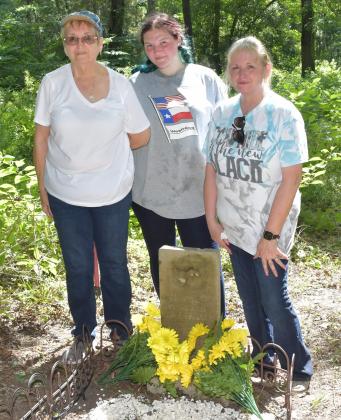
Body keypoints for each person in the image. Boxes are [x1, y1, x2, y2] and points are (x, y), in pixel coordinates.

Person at [33, 10, 150, 356]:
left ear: (99, 43)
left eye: (87, 38)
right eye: (72, 39)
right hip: (65, 193)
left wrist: (105, 154)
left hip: (112, 193)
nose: (79, 45)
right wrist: (43, 187)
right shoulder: (52, 83)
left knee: (114, 261)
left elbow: (140, 136)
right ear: (64, 46)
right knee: (78, 264)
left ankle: (119, 328)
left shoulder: (121, 85)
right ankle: (82, 332)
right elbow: (41, 138)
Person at [204, 36, 313, 388]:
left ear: (266, 69)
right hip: (233, 226)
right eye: (235, 67)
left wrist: (270, 236)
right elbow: (210, 169)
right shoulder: (222, 112)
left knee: (272, 298)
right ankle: (262, 358)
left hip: (270, 227)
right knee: (250, 298)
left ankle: (298, 365)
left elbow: (291, 177)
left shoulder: (283, 114)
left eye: (250, 66)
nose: (242, 73)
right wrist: (212, 220)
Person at [130, 13, 227, 315]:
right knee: (164, 262)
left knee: (204, 262)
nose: (157, 51)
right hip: (150, 192)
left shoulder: (204, 77)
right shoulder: (135, 84)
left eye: (163, 42)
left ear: (178, 40)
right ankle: (175, 326)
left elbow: (225, 132)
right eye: (149, 46)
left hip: (198, 192)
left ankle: (214, 331)